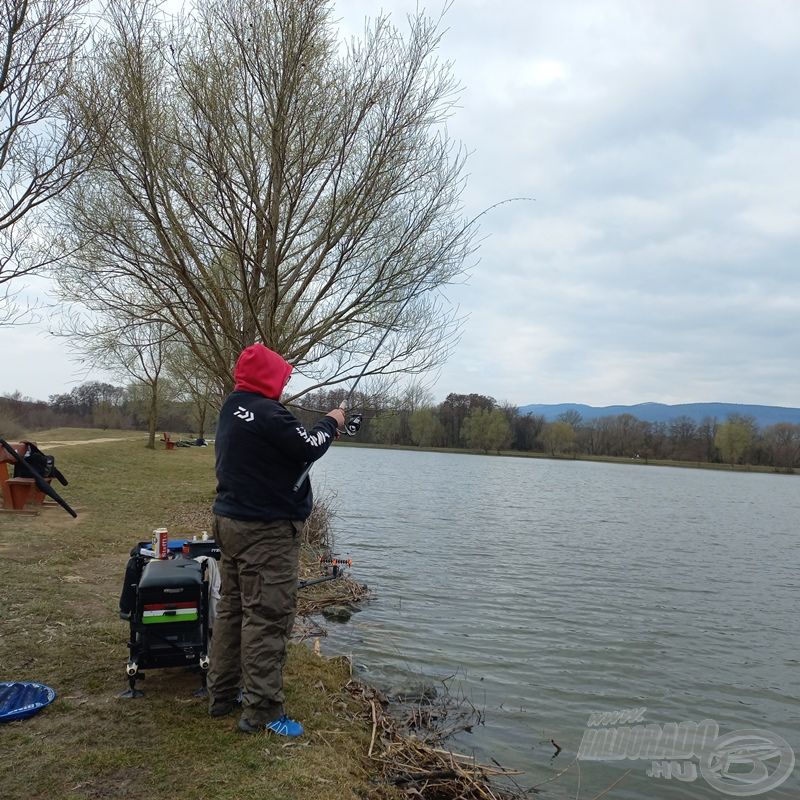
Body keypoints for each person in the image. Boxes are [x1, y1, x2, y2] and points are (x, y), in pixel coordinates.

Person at [207, 343, 345, 737]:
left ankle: (221, 694)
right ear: (269, 378)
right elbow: (308, 446)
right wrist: (332, 421)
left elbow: (282, 448)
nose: (284, 386)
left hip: (230, 523)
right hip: (265, 532)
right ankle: (263, 710)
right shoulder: (269, 412)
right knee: (267, 617)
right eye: (282, 379)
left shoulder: (232, 406)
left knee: (233, 609)